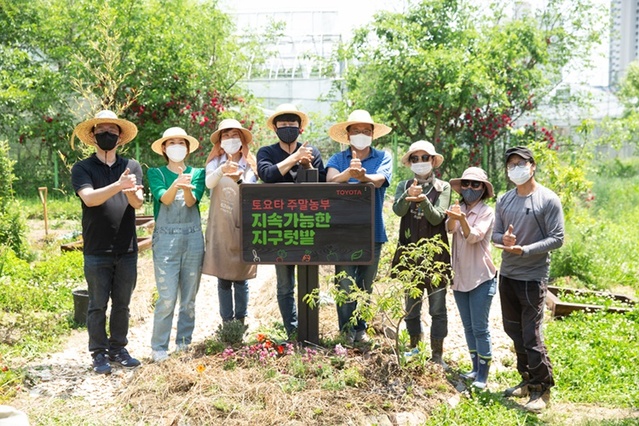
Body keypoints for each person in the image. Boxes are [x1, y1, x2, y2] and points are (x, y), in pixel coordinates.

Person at [70, 110, 144, 374]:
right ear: (93, 136)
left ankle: (118, 348)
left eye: (112, 132)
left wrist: (132, 191)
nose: (107, 135)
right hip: (96, 248)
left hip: (126, 248)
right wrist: (119, 184)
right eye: (102, 131)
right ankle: (98, 353)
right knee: (97, 304)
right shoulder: (82, 168)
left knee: (122, 303)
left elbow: (138, 202)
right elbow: (89, 198)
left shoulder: (132, 166)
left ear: (120, 137)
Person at [492, 146, 564, 413]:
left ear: (532, 166)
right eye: (511, 165)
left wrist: (526, 249)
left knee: (531, 336)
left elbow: (557, 238)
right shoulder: (504, 200)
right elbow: (495, 235)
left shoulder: (547, 199)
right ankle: (525, 379)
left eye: (520, 163)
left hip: (533, 277)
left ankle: (541, 389)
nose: (515, 169)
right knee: (513, 331)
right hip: (508, 274)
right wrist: (505, 240)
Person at [256, 104, 326, 339]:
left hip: (309, 226)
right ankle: (293, 331)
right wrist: (295, 157)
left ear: (300, 129)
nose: (288, 129)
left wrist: (306, 164)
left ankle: (311, 333)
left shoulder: (313, 153)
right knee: (285, 285)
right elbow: (266, 175)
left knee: (310, 281)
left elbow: (323, 185)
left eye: (292, 125)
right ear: (275, 128)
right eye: (283, 125)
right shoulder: (266, 152)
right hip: (280, 228)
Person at [326, 109, 392, 344]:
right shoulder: (337, 160)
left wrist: (362, 176)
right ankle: (345, 332)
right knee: (344, 284)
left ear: (373, 134)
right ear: (348, 134)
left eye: (366, 131)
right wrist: (348, 173)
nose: (361, 135)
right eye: (356, 131)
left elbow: (380, 180)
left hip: (373, 231)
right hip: (343, 233)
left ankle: (361, 329)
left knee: (365, 284)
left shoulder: (383, 157)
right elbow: (330, 180)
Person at [147, 127, 205, 362]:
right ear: (164, 148)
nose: (177, 146)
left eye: (181, 143)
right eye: (171, 143)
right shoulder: (156, 173)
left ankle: (184, 344)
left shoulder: (198, 173)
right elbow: (165, 198)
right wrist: (178, 184)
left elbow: (192, 202)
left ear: (188, 148)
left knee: (189, 298)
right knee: (167, 297)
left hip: (192, 238)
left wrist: (188, 188)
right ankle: (159, 346)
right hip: (166, 240)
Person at [391, 140, 451, 365]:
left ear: (433, 161)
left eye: (424, 157)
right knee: (412, 306)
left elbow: (437, 217)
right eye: (414, 159)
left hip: (436, 258)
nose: (420, 162)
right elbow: (398, 211)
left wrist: (423, 199)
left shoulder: (442, 187)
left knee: (437, 307)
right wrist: (408, 195)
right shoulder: (403, 184)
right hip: (409, 255)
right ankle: (414, 349)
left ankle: (437, 355)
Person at [203, 119, 258, 326]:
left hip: (243, 224)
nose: (230, 139)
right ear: (220, 141)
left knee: (241, 277)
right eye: (225, 136)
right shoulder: (214, 163)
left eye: (234, 135)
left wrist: (239, 179)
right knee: (223, 276)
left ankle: (241, 320)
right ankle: (227, 322)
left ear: (242, 140)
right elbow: (209, 182)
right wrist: (222, 170)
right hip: (221, 225)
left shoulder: (249, 165)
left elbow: (251, 192)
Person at [446, 167, 497, 387]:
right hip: (459, 276)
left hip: (481, 277)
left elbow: (473, 237)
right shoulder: (458, 207)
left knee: (480, 327)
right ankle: (475, 368)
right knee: (468, 327)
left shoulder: (487, 212)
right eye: (465, 184)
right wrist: (454, 217)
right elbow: (449, 229)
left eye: (475, 184)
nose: (469, 188)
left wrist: (462, 219)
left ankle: (483, 375)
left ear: (483, 189)